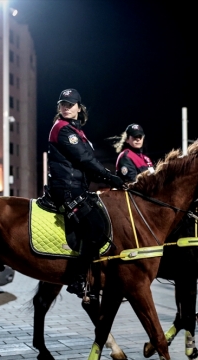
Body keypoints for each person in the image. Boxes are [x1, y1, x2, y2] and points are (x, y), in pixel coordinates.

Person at [42, 88, 125, 297]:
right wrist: (109, 176)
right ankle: (78, 278)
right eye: (63, 104)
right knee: (96, 227)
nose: (66, 108)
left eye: (70, 104)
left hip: (77, 187)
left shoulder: (76, 131)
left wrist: (107, 177)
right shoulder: (62, 129)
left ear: (79, 108)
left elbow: (87, 162)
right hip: (66, 189)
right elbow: (85, 160)